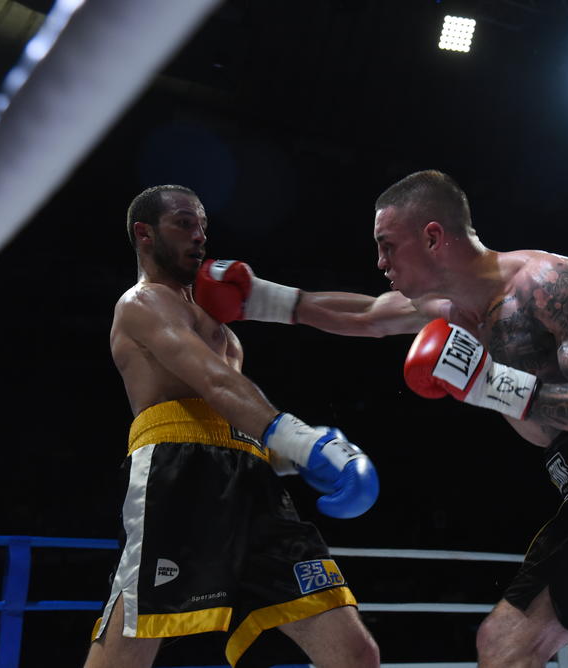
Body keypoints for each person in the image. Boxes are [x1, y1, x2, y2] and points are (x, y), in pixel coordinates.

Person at [194, 169, 568, 667]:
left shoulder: (547, 282)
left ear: (432, 236)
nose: (380, 262)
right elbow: (365, 315)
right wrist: (260, 299)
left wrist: (492, 385)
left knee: (505, 642)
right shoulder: (445, 308)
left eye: (387, 246)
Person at [84, 185, 381, 668]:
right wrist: (302, 441)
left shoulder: (216, 323)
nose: (200, 236)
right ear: (144, 234)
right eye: (184, 223)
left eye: (203, 225)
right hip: (177, 475)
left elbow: (228, 417)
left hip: (252, 481)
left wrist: (295, 459)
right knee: (128, 653)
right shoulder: (142, 303)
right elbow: (214, 382)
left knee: (355, 653)